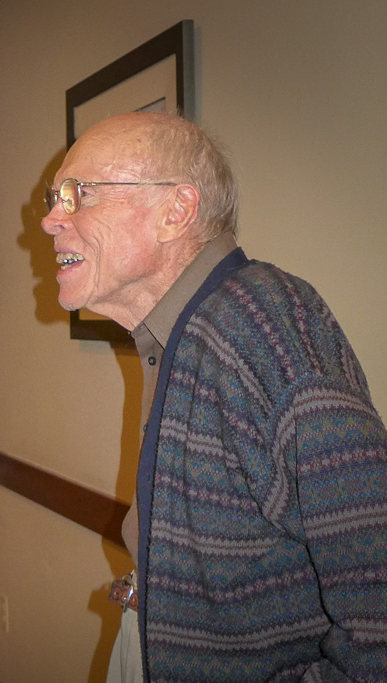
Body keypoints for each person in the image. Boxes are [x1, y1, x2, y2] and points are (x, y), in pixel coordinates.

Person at [41, 112, 387, 682]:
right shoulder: (181, 333)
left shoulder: (267, 330)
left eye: (80, 194)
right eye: (55, 198)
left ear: (176, 211)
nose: (53, 220)